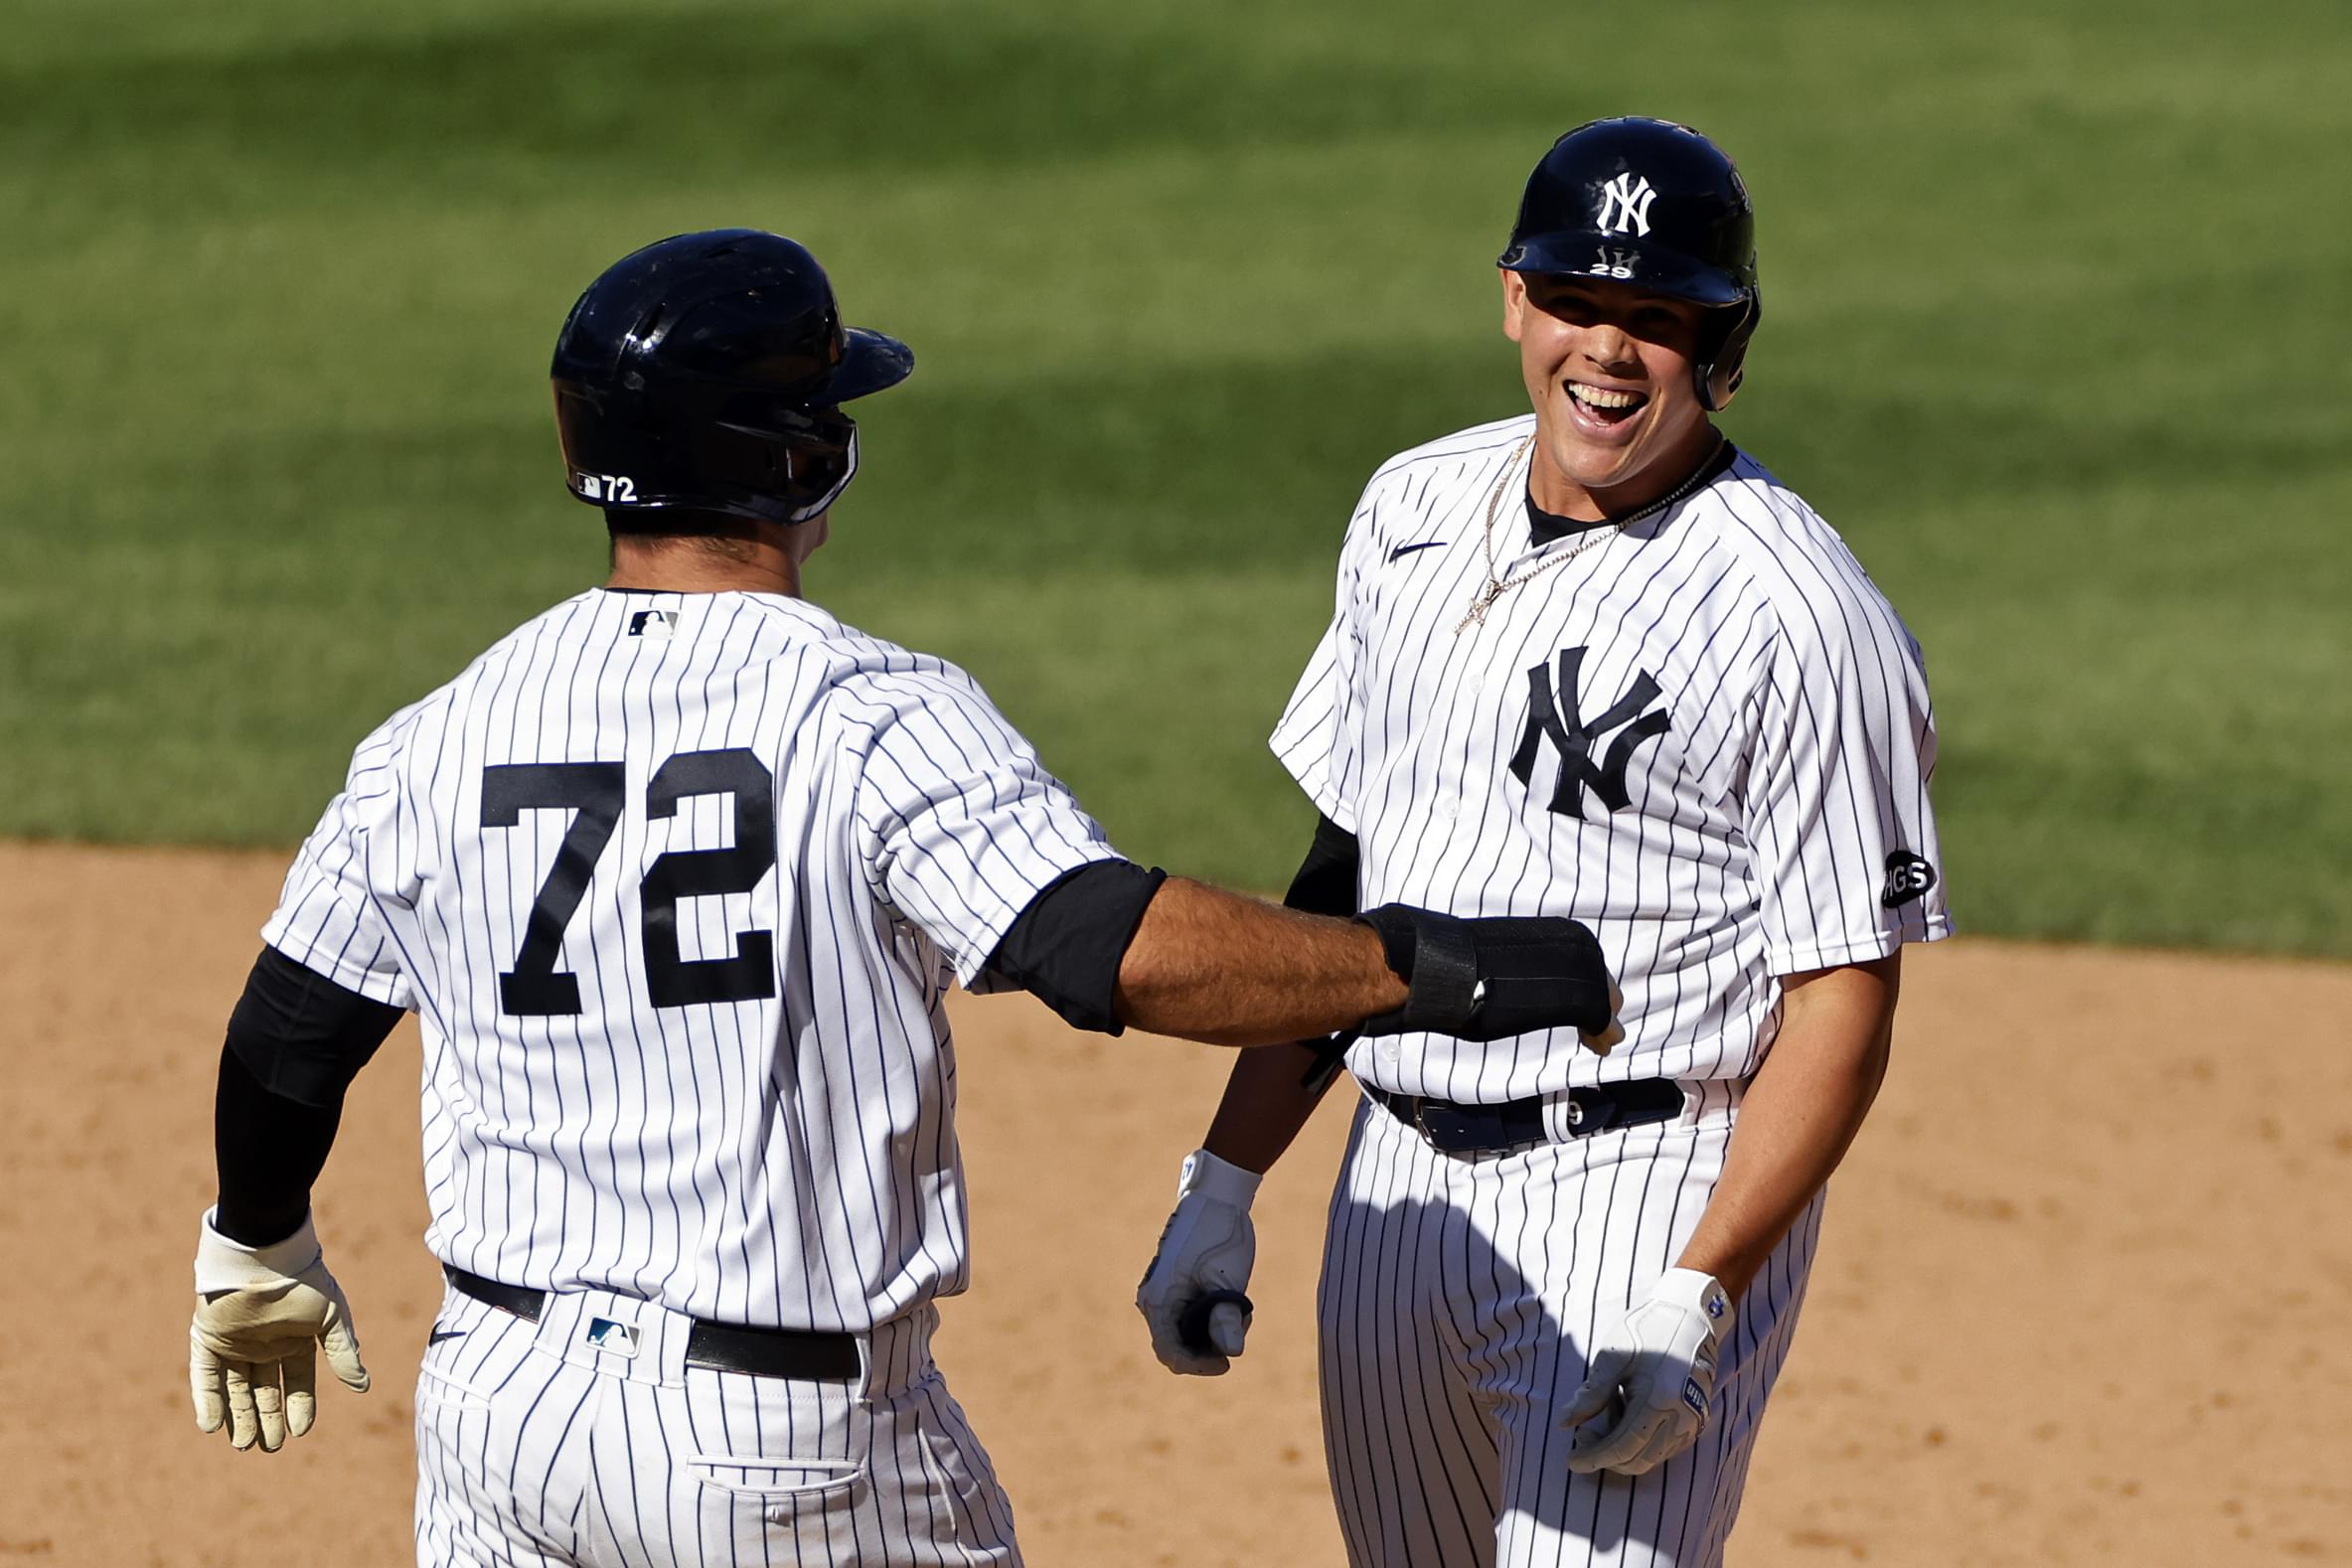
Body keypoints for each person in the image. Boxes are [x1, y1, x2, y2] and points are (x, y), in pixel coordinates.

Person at [183, 229, 1624, 1568]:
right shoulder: (870, 712)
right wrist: (1435, 969)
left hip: (498, 1415)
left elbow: (287, 1033)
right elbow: (1104, 948)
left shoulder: (436, 734)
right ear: (805, 461)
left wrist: (256, 1239)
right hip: (780, 1447)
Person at [1134, 118, 1952, 1567]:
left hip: (1639, 1189)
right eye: (1580, 299)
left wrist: (1695, 1291)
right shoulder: (1411, 507)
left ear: (1726, 341)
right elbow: (1347, 885)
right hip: (1394, 1189)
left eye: (1659, 317)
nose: (1610, 349)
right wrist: (1227, 1177)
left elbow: (1844, 996)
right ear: (1514, 295)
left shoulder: (1802, 616)